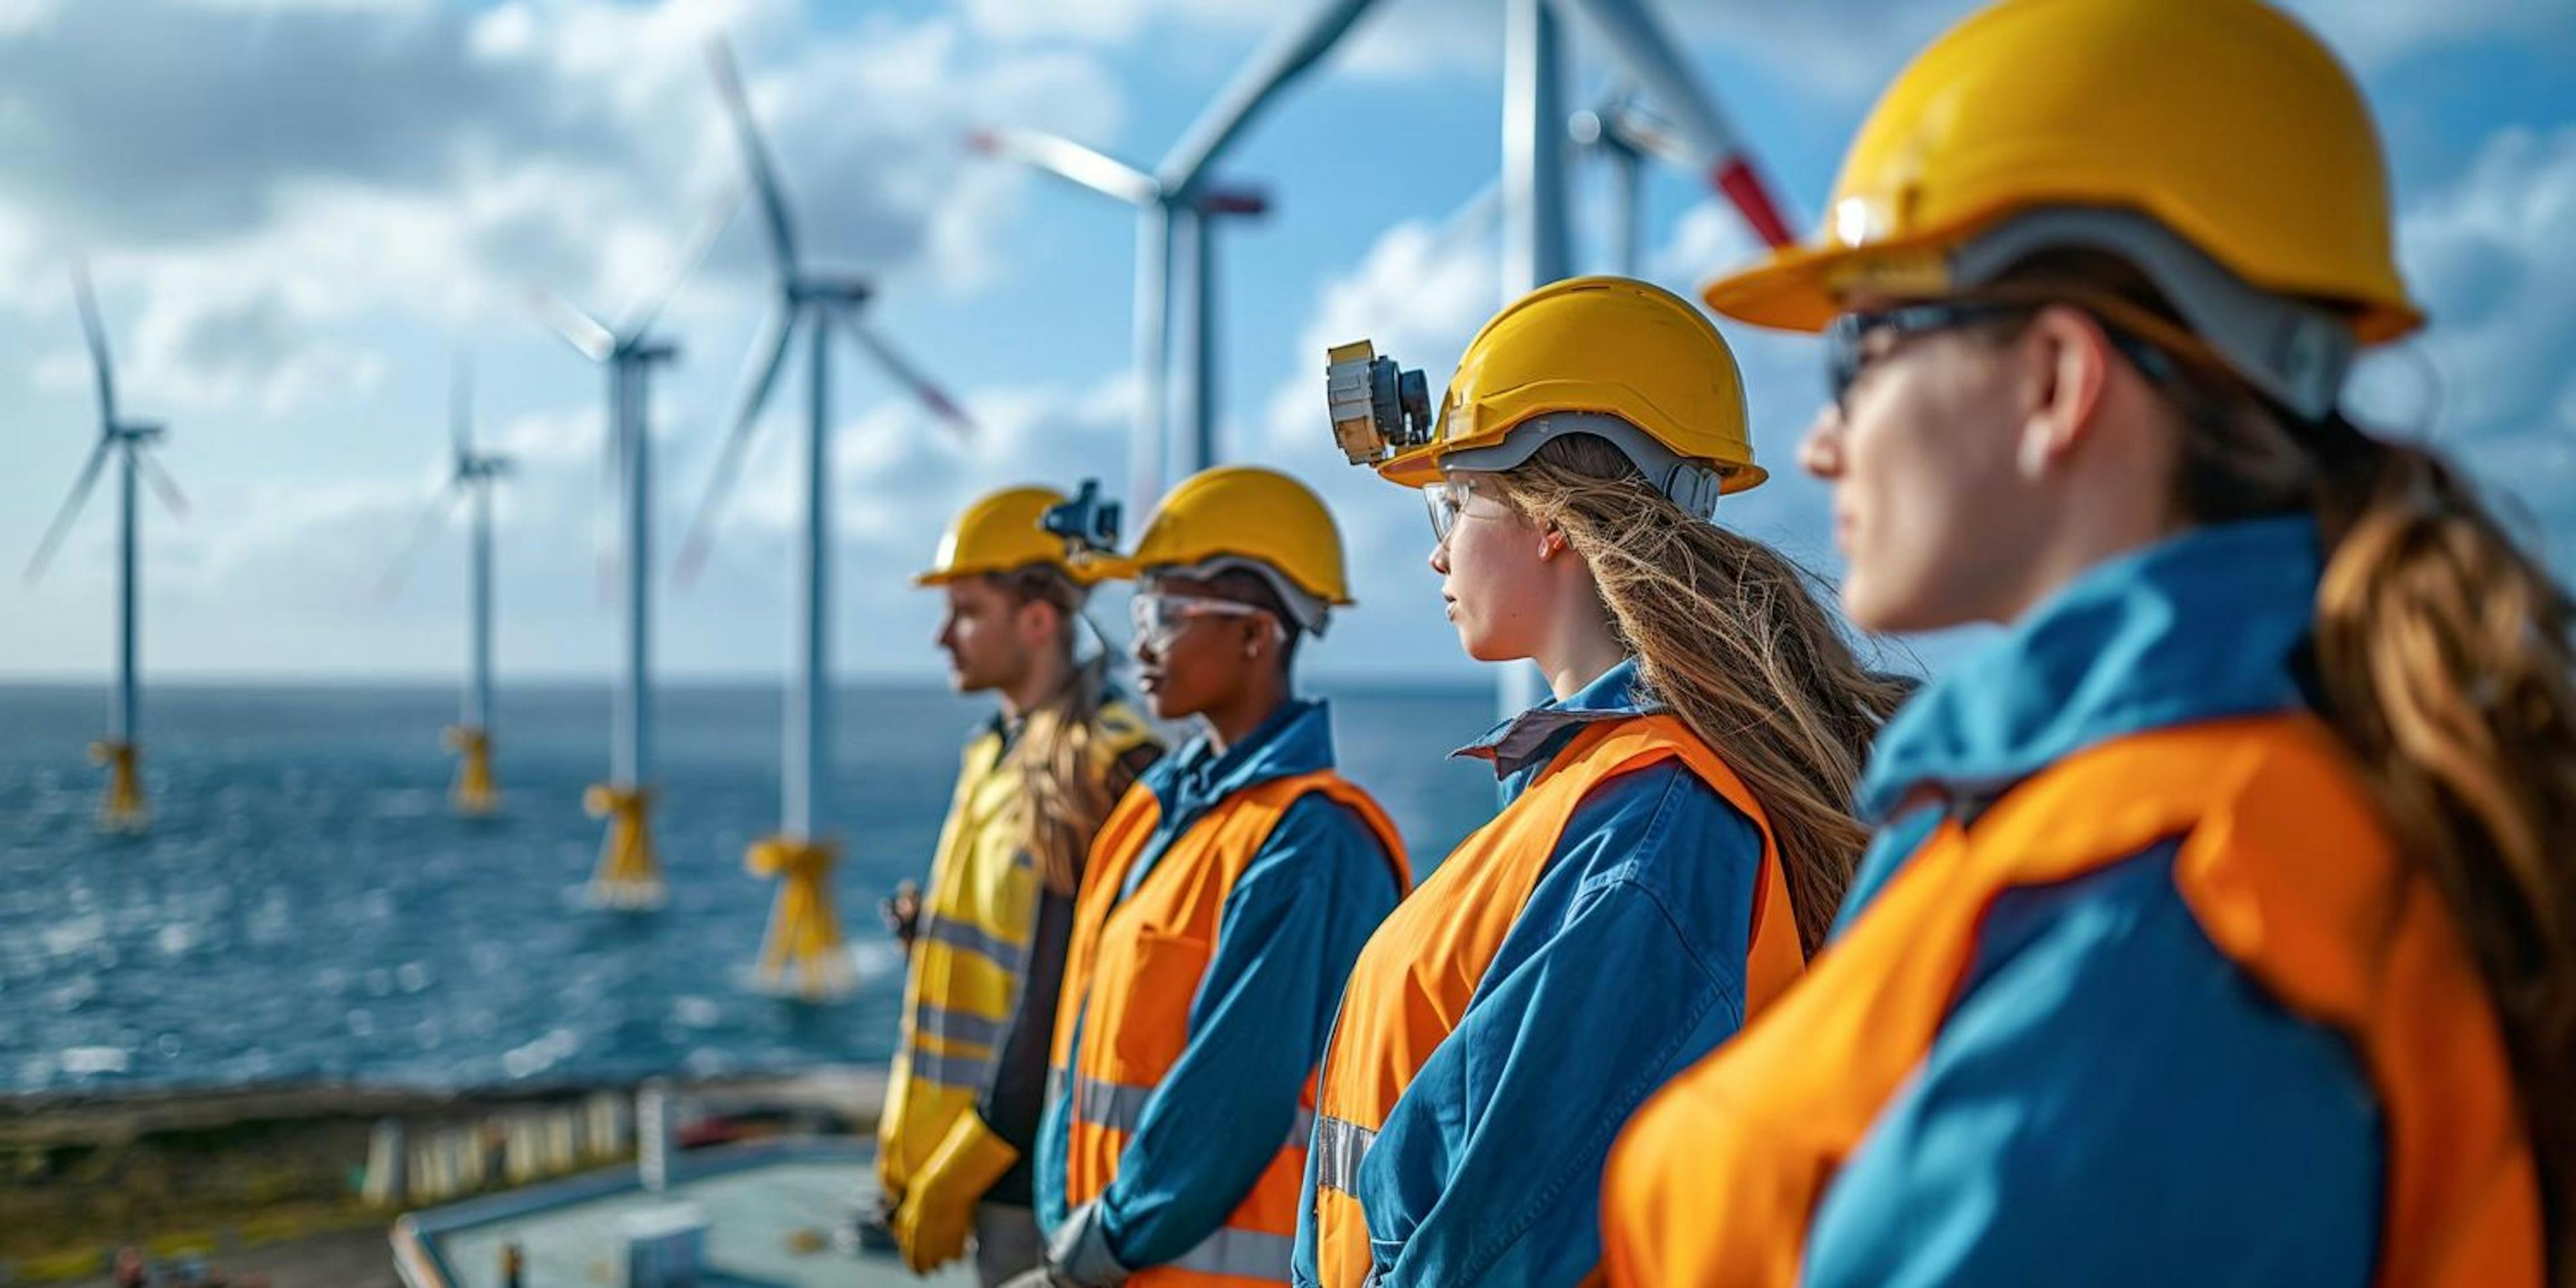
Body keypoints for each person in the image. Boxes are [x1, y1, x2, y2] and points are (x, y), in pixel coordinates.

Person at [1600, 1, 2567, 1283]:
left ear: (2057, 382)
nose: (1822, 443)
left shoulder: (2164, 911)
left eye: (1860, 353)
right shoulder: (2116, 827)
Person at [1295, 276, 1909, 1286]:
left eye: (1456, 501)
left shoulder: (1655, 817)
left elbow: (1498, 1229)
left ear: (1549, 521)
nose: (1440, 551)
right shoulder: (1596, 793)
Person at [1008, 466, 1411, 1287]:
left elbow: (1232, 1100)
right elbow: (1083, 1053)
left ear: (1257, 636)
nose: (1141, 643)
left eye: (1165, 613)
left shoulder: (1315, 841)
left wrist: (1097, 1248)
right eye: (1137, 612)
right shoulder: (1158, 808)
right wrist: (1067, 1226)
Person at [879, 485, 1164, 1283]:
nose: (943, 636)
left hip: (1036, 1185)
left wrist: (959, 1173)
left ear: (1038, 620)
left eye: (966, 611)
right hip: (988, 1162)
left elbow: (1063, 1003)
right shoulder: (996, 752)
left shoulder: (1099, 766)